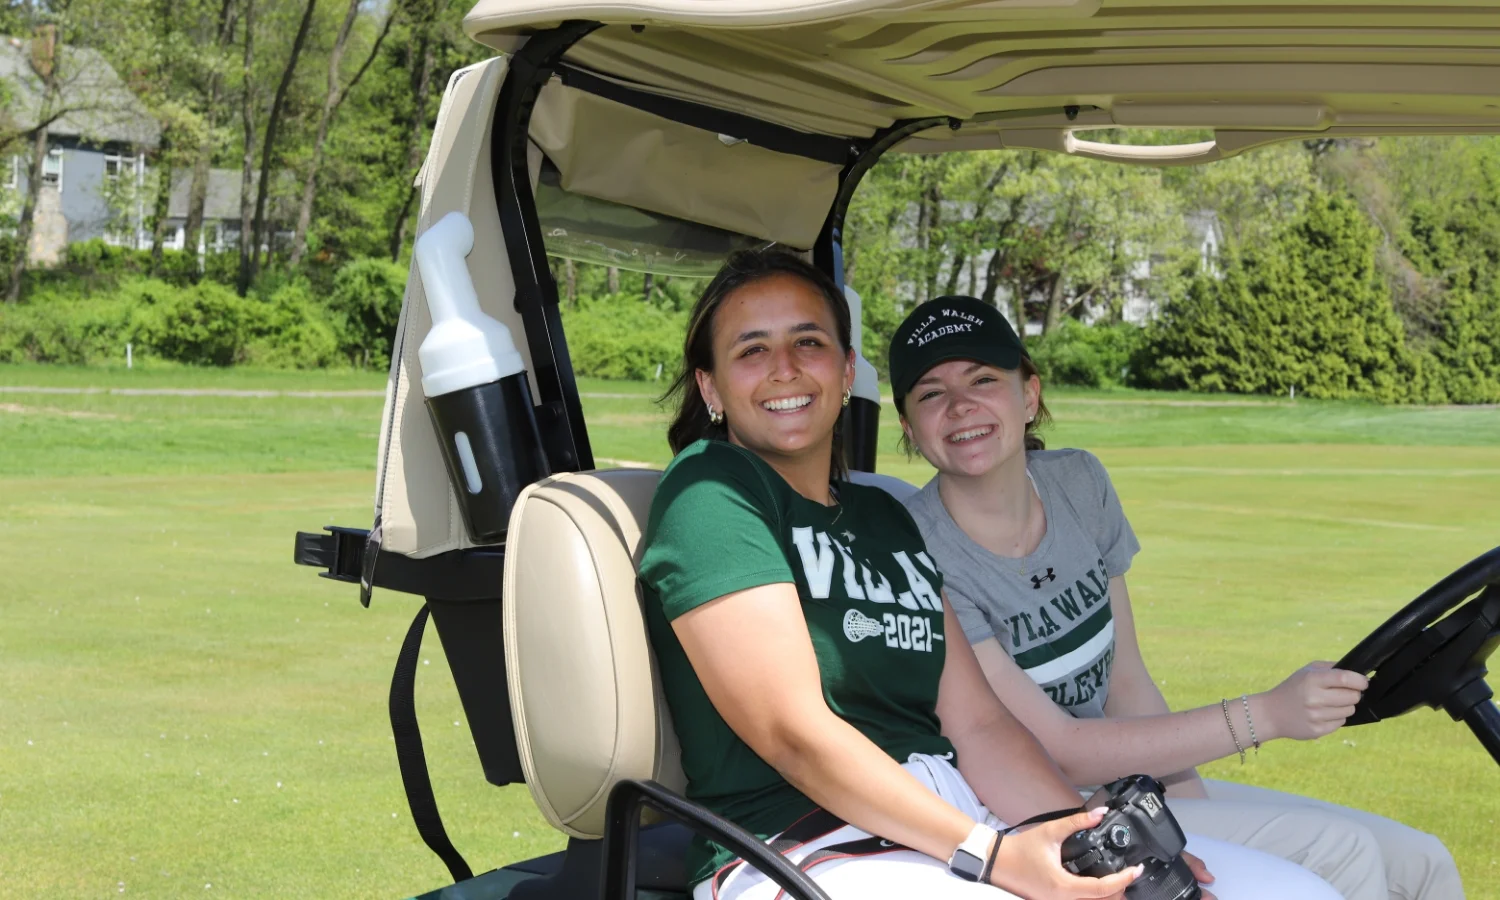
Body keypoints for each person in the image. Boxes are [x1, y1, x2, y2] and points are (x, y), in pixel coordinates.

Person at [636, 248, 1342, 900]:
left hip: (949, 824)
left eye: (808, 342)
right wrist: (994, 857)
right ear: (712, 386)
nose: (785, 368)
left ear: (846, 371)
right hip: (803, 847)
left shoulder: (881, 520)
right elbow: (794, 733)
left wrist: (1086, 841)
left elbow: (978, 725)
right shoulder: (712, 493)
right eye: (751, 350)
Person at [887, 295, 1465, 900]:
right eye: (930, 393)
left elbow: (1126, 681)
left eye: (983, 379)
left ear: (1028, 395)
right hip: (1038, 810)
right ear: (908, 425)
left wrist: (1186, 804)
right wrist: (1266, 715)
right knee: (1344, 854)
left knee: (1421, 861)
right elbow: (1062, 750)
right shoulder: (923, 548)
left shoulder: (1079, 482)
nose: (960, 406)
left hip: (1125, 788)